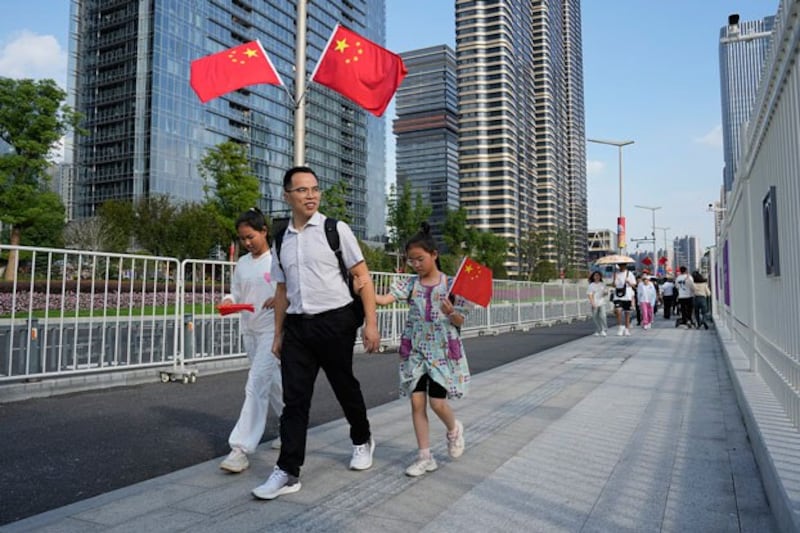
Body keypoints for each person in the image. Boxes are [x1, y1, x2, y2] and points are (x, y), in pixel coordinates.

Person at [251, 166, 381, 501]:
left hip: (335, 322)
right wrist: (278, 334)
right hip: (297, 327)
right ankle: (288, 471)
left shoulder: (335, 229)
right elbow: (281, 290)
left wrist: (371, 322)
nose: (311, 195)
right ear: (287, 195)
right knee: (295, 401)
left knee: (344, 387)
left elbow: (362, 277)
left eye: (315, 189)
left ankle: (362, 439)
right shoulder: (281, 239)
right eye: (302, 190)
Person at [372, 223, 469, 477]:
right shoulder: (410, 284)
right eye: (411, 260)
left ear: (434, 255)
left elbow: (461, 321)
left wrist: (451, 312)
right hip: (415, 351)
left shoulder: (450, 285)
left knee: (437, 403)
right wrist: (363, 287)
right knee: (417, 403)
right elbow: (384, 299)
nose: (416, 264)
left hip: (441, 352)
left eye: (420, 259)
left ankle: (454, 429)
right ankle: (425, 456)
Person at [219, 208, 283, 474]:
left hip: (272, 331)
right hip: (250, 331)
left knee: (255, 383)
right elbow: (235, 292)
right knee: (274, 384)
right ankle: (292, 425)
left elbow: (290, 291)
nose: (247, 243)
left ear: (264, 231)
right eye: (242, 238)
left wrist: (279, 299)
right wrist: (229, 301)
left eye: (251, 236)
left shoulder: (277, 260)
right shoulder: (243, 263)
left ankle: (240, 449)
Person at [612, 263, 637, 336]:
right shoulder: (616, 274)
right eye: (620, 265)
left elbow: (634, 285)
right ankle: (620, 327)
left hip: (627, 295)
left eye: (623, 265)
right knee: (618, 310)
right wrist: (613, 280)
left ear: (626, 266)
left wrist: (628, 282)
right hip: (618, 295)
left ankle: (627, 329)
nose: (621, 266)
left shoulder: (630, 274)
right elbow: (613, 285)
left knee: (627, 313)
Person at [587, 271, 608, 337]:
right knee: (595, 317)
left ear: (600, 277)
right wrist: (592, 303)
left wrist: (605, 292)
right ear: (593, 277)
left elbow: (605, 293)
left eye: (598, 275)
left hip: (602, 303)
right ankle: (598, 329)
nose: (597, 277)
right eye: (595, 275)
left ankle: (604, 330)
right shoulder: (591, 285)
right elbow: (589, 295)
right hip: (594, 303)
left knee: (603, 316)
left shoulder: (603, 284)